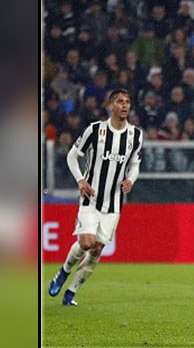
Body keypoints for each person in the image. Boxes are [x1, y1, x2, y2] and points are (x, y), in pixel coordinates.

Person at [48, 89, 144, 306]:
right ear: (110, 106)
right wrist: (81, 180)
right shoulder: (95, 130)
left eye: (127, 102)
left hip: (114, 203)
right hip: (90, 199)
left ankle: (71, 292)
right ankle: (63, 272)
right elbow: (73, 156)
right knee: (86, 241)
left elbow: (135, 165)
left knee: (98, 248)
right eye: (120, 102)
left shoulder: (136, 135)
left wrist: (131, 179)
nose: (124, 105)